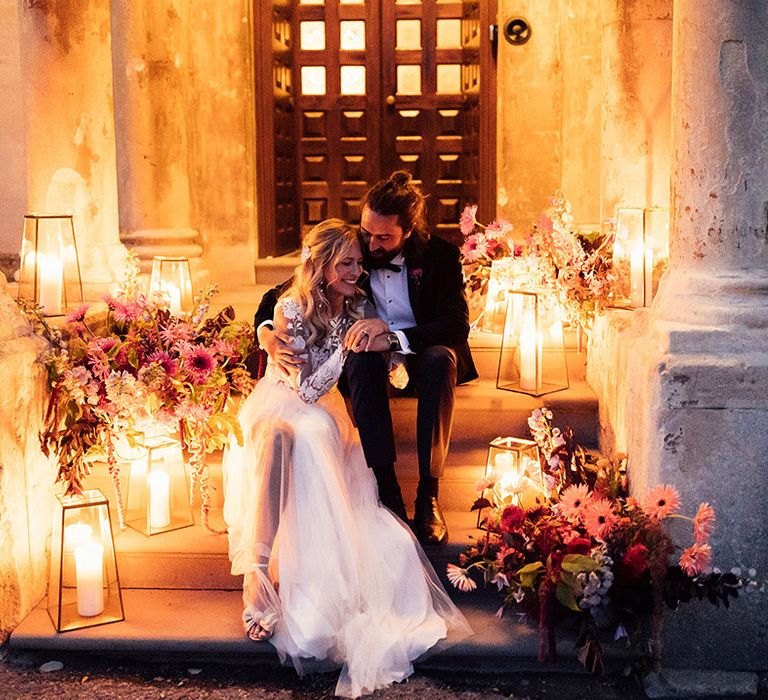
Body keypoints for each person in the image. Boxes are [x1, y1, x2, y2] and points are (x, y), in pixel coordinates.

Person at [224, 219, 471, 698]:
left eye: (360, 261)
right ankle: (257, 576)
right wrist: (339, 347)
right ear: (321, 266)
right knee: (291, 434)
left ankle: (303, 571)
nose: (359, 269)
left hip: (325, 410)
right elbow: (308, 388)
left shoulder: (358, 300)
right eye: (348, 263)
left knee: (317, 434)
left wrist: (388, 350)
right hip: (287, 399)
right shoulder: (292, 306)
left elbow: (386, 340)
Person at [255, 171, 477, 545]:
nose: (371, 244)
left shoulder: (440, 255)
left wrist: (393, 338)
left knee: (442, 360)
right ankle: (387, 491)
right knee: (358, 356)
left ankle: (429, 494)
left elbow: (455, 324)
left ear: (407, 231)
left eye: (384, 237)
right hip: (366, 355)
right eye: (367, 232)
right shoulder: (355, 250)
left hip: (419, 347)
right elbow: (282, 293)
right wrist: (265, 331)